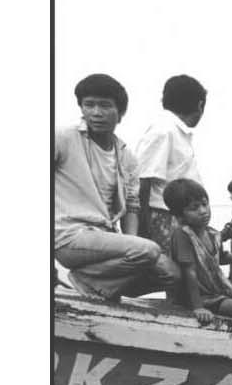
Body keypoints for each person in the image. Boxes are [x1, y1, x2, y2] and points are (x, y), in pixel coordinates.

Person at [54, 73, 178, 301]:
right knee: (150, 250)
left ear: (120, 113)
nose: (96, 113)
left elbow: (132, 206)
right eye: (88, 105)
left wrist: (134, 247)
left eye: (105, 105)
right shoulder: (63, 138)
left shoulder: (126, 156)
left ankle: (103, 288)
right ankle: (87, 281)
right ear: (81, 107)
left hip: (104, 239)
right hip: (69, 236)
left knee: (170, 273)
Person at [161, 178, 232, 325]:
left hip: (214, 294)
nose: (203, 211)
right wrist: (198, 308)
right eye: (194, 208)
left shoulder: (212, 234)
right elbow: (189, 272)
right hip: (193, 299)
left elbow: (217, 258)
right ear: (179, 216)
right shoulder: (183, 235)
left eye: (204, 204)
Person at [135, 74, 208, 251]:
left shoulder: (176, 131)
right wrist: (142, 230)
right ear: (200, 105)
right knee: (173, 270)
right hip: (163, 216)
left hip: (181, 216)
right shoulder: (163, 130)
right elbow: (142, 181)